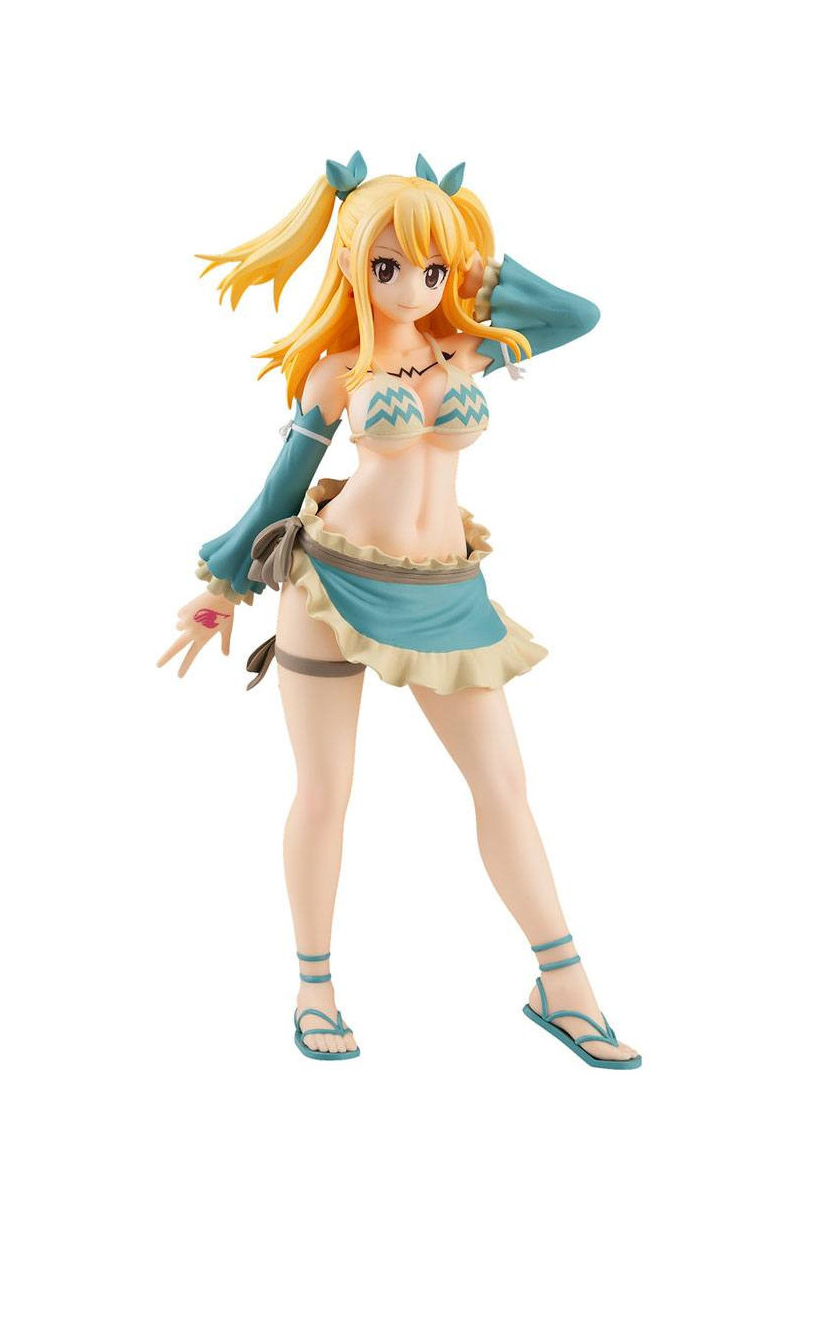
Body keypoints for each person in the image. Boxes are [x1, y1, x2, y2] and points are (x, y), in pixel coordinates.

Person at [158, 152, 641, 1068]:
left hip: (444, 592)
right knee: (326, 791)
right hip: (330, 585)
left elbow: (578, 317)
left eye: (432, 267)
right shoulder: (336, 372)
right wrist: (223, 588)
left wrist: (488, 274)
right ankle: (314, 990)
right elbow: (280, 490)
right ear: (352, 262)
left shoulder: (470, 348)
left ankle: (564, 983)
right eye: (389, 265)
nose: (414, 287)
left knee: (504, 786)